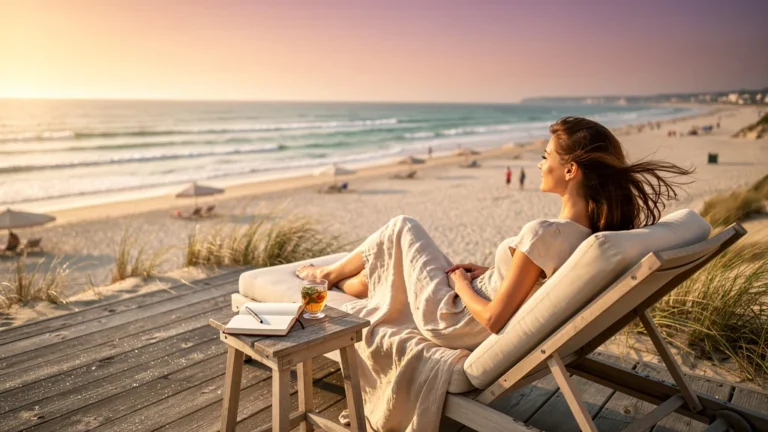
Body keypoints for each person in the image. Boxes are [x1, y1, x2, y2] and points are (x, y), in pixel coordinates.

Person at [295, 116, 693, 430]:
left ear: (570, 170)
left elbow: (493, 319)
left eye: (546, 155)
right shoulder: (588, 236)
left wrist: (461, 282)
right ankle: (341, 281)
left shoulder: (545, 233)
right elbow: (543, 283)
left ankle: (326, 276)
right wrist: (495, 270)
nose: (539, 164)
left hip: (457, 317)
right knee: (384, 265)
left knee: (402, 225)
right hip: (478, 296)